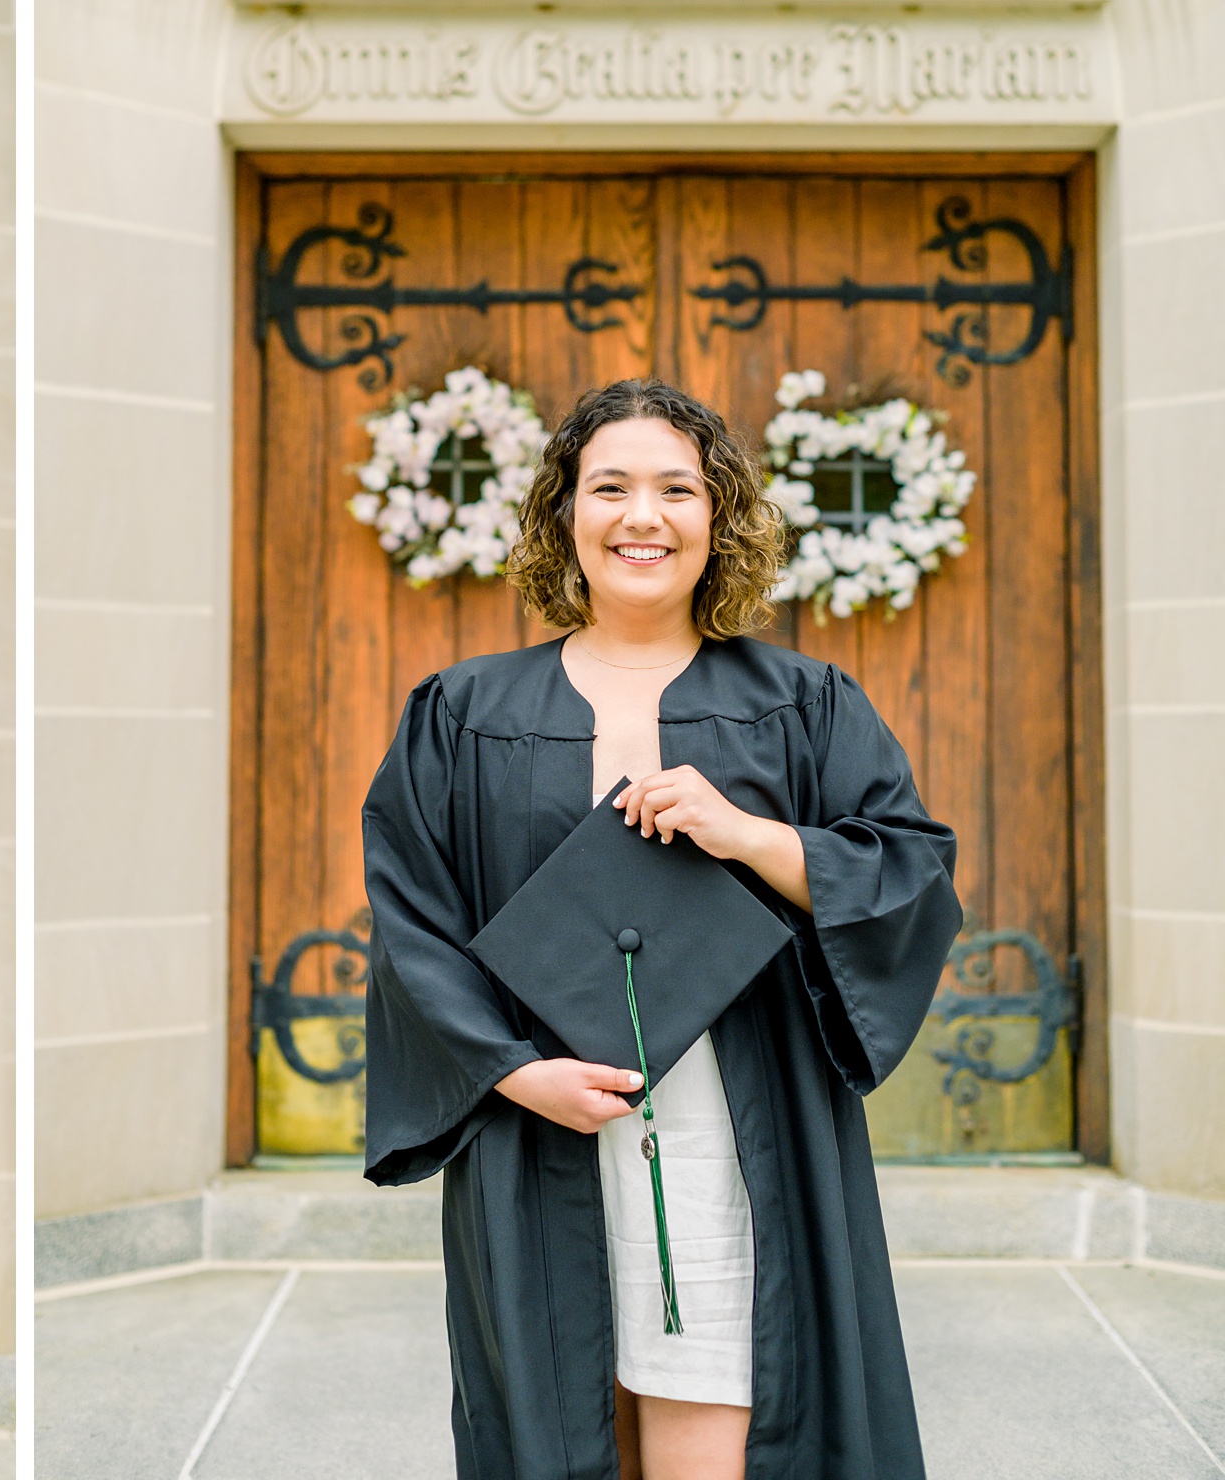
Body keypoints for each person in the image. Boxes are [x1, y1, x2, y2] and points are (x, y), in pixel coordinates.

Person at [362, 378, 960, 1480]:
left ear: (719, 516)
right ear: (564, 516)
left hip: (737, 1142)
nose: (644, 516)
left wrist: (749, 834)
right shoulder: (464, 712)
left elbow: (909, 869)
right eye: (611, 487)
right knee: (564, 1421)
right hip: (542, 1137)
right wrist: (511, 1073)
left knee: (720, 1419)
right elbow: (411, 922)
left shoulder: (804, 701)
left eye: (677, 488)